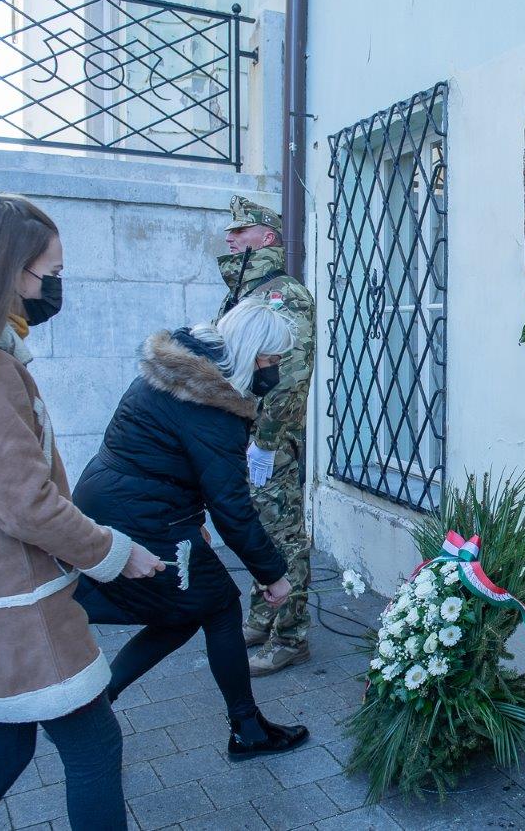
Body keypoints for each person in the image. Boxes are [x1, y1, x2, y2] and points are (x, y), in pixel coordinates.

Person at [0, 188, 165, 831]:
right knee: (95, 748)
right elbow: (26, 506)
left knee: (2, 748)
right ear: (8, 273)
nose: (57, 287)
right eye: (53, 273)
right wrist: (116, 555)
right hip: (21, 609)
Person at [71, 297, 309, 758]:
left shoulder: (182, 375)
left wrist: (192, 523)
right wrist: (273, 574)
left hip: (126, 503)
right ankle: (246, 729)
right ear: (247, 354)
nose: (275, 370)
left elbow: (170, 459)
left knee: (187, 609)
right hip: (138, 515)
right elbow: (232, 506)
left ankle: (105, 702)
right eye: (270, 359)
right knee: (217, 605)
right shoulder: (213, 408)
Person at [216, 195, 316, 676]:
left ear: (267, 238)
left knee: (284, 539)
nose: (230, 238)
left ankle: (292, 636)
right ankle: (261, 617)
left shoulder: (284, 295)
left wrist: (266, 442)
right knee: (255, 534)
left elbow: (288, 378)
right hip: (243, 437)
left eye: (240, 231)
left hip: (268, 444)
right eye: (230, 232)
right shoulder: (244, 292)